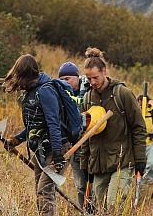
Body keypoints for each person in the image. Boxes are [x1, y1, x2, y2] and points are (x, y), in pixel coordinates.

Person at [3, 55, 73, 216]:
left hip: (58, 147)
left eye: (19, 77)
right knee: (40, 191)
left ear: (26, 75)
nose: (17, 82)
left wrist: (57, 154)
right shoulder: (31, 92)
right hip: (41, 150)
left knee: (45, 191)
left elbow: (53, 123)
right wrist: (16, 140)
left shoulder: (45, 91)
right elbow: (36, 126)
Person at [78, 48, 146, 211]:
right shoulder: (88, 97)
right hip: (98, 163)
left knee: (114, 205)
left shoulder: (122, 93)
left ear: (105, 71)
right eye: (89, 78)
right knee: (99, 208)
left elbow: (138, 127)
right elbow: (86, 133)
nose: (93, 82)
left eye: (95, 77)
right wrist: (84, 163)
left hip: (121, 161)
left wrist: (140, 160)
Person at [57, 61, 90, 209]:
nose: (65, 82)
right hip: (75, 145)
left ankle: (97, 209)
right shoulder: (61, 95)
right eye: (62, 80)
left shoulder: (90, 89)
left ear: (77, 77)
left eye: (68, 79)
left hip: (92, 144)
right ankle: (84, 210)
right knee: (80, 185)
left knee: (94, 182)